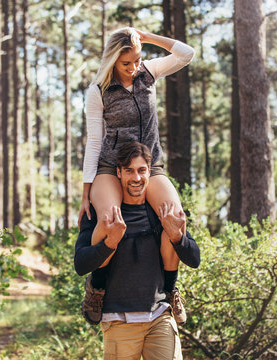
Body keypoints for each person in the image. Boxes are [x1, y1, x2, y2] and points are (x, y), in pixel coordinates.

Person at [78, 27, 195, 321]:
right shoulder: (98, 91)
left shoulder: (149, 73)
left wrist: (148, 38)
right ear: (112, 61)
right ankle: (97, 288)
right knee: (109, 218)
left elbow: (186, 54)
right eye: (125, 63)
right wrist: (85, 195)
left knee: (174, 215)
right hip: (110, 166)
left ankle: (169, 291)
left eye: (137, 61)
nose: (133, 69)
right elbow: (93, 143)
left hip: (149, 165)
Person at [75, 142, 200, 359]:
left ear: (149, 172)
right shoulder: (104, 214)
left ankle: (170, 293)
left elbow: (194, 259)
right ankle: (95, 291)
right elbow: (81, 264)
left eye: (142, 170)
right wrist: (109, 243)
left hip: (159, 317)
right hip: (118, 320)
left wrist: (177, 237)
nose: (136, 178)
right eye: (129, 171)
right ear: (119, 173)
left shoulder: (160, 211)